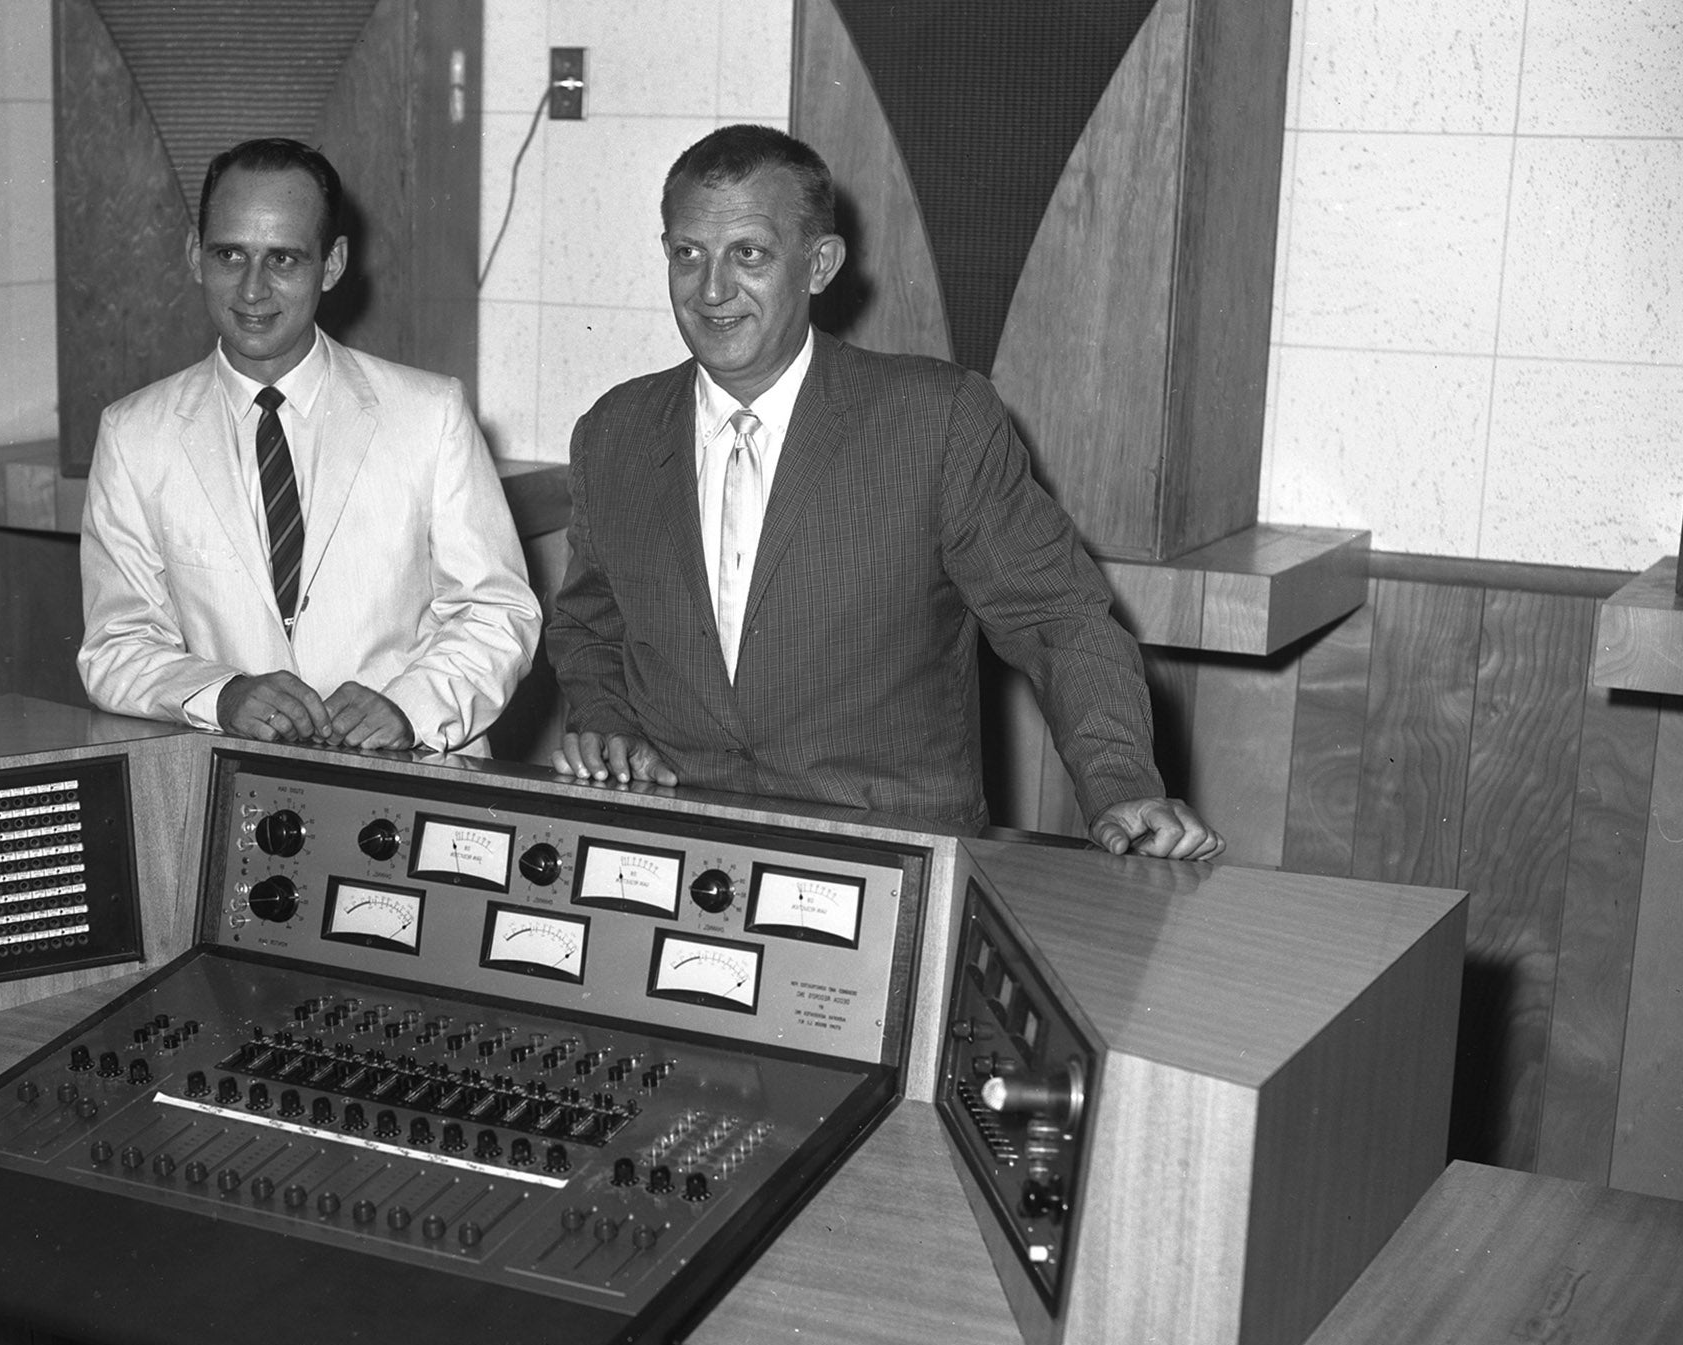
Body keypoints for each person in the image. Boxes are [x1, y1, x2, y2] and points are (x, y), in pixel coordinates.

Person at [546, 125, 1221, 859]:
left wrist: (1121, 783)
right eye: (688, 254)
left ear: (819, 264)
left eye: (749, 254)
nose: (711, 290)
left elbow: (1057, 618)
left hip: (886, 861)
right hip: (673, 852)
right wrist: (607, 721)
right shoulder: (613, 432)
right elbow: (590, 629)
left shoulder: (934, 420)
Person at [78, 137, 540, 752]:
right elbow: (116, 645)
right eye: (229, 255)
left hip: (410, 778)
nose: (251, 290)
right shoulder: (134, 434)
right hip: (227, 781)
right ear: (195, 255)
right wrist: (221, 694)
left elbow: (499, 614)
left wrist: (410, 708)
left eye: (284, 260)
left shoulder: (431, 415)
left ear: (332, 264)